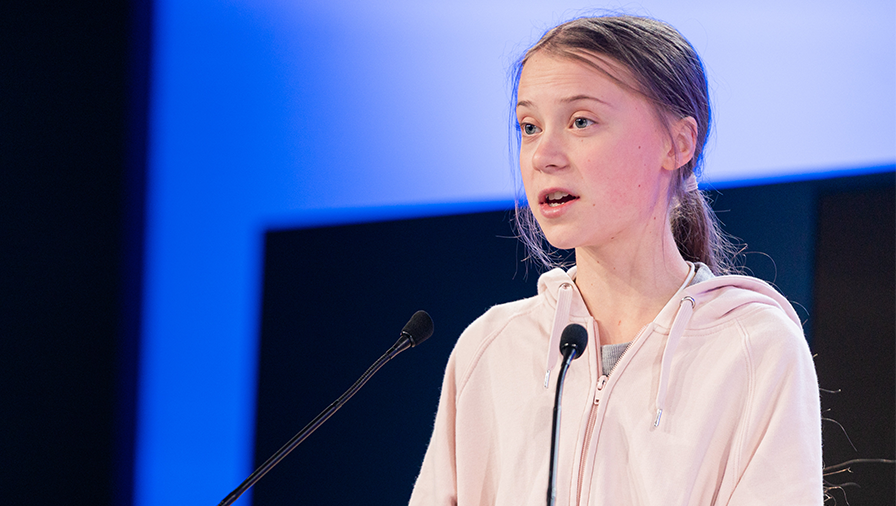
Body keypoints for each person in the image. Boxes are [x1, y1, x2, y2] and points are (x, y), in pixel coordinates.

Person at [409, 14, 823, 506]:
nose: (544, 155)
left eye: (581, 121)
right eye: (529, 126)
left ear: (678, 143)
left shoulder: (753, 349)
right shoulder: (490, 349)